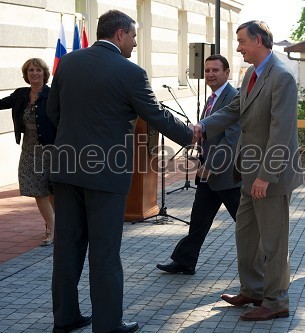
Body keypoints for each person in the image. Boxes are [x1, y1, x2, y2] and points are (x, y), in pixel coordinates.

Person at [47, 10, 194, 333]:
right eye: (133, 35)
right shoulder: (131, 73)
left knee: (66, 248)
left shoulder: (68, 63)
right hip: (106, 175)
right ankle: (108, 325)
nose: (135, 42)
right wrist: (189, 134)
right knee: (105, 254)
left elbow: (53, 111)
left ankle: (65, 318)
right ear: (119, 35)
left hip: (66, 170)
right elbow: (155, 115)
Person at [193, 20, 303, 321]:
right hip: (247, 173)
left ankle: (276, 301)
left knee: (273, 241)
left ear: (257, 41)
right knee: (246, 235)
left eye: (241, 41)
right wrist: (203, 126)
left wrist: (266, 176)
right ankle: (253, 291)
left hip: (271, 176)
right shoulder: (252, 74)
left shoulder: (281, 77)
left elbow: (281, 132)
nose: (238, 47)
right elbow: (232, 110)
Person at [156, 54, 241, 275]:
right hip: (207, 173)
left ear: (227, 73)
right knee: (198, 221)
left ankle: (268, 263)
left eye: (215, 70)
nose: (210, 74)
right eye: (207, 71)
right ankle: (184, 261)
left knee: (244, 223)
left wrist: (211, 164)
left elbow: (231, 139)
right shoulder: (212, 98)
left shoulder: (234, 98)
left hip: (225, 174)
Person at [0, 58, 56, 246]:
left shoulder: (52, 94)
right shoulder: (21, 94)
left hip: (50, 149)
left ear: (44, 73)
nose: (34, 73)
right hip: (29, 149)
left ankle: (53, 228)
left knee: (50, 190)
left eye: (38, 70)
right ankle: (53, 228)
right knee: (38, 190)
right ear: (26, 74)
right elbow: (2, 103)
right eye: (31, 70)